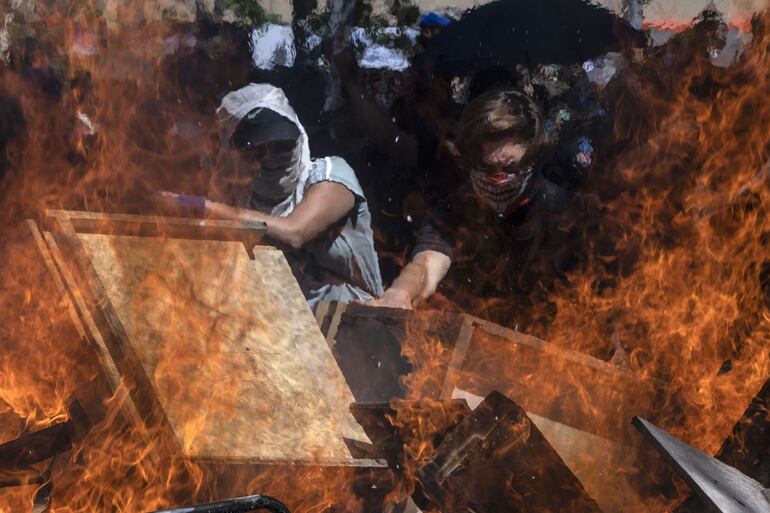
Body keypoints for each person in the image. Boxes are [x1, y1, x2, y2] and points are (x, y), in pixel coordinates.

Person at [370, 87, 594, 321]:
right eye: (486, 168)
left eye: (510, 169)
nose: (497, 180)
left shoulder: (566, 212)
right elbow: (427, 263)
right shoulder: (453, 212)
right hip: (479, 340)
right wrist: (400, 293)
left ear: (533, 157)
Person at [165, 83, 384, 310]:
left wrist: (205, 210)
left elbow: (294, 233)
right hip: (279, 329)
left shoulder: (331, 175)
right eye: (257, 148)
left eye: (281, 145)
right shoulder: (237, 197)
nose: (272, 156)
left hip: (354, 328)